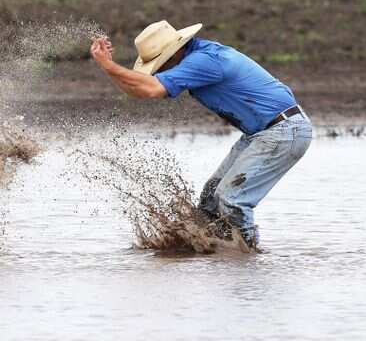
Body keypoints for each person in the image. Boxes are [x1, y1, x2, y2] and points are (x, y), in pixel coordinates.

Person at [89, 20, 312, 248]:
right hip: (265, 132)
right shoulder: (196, 57)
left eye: (160, 65)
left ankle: (247, 257)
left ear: (173, 54)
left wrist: (109, 66)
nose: (159, 71)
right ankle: (215, 249)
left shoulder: (204, 61)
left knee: (231, 199)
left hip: (284, 131)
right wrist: (109, 67)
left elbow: (151, 88)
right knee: (210, 197)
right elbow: (141, 91)